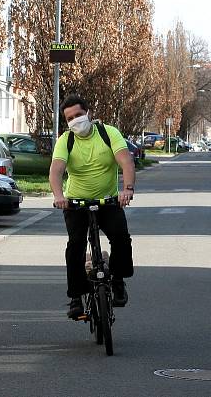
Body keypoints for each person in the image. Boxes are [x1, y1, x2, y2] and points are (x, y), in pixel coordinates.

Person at [49, 95, 136, 319]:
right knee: (75, 246)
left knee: (121, 238)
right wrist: (59, 196)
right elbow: (56, 171)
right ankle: (76, 297)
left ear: (89, 113)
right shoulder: (65, 140)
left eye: (78, 115)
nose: (75, 121)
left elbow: (126, 161)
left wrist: (127, 189)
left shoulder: (109, 133)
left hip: (108, 200)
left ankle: (117, 280)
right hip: (76, 203)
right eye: (70, 118)